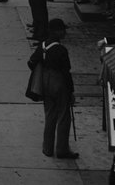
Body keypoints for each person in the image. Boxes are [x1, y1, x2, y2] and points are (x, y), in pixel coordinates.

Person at [32, 19, 77, 159]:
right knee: (63, 116)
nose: (65, 32)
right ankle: (62, 149)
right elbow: (66, 71)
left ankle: (47, 148)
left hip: (46, 83)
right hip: (59, 83)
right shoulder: (61, 50)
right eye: (62, 30)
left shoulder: (43, 46)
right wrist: (71, 91)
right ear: (56, 31)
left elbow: (31, 61)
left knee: (50, 115)